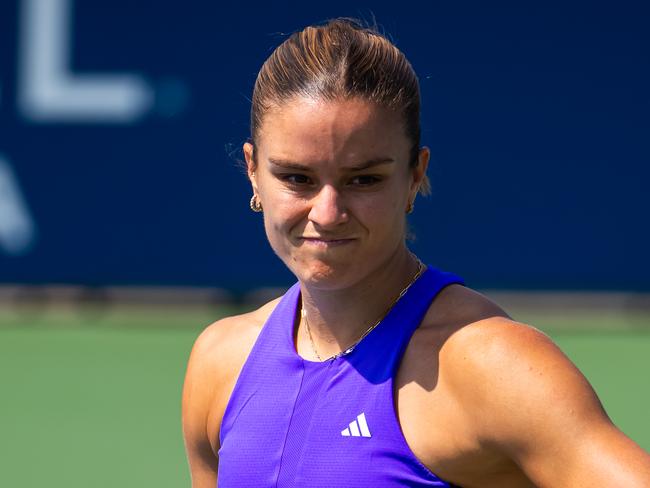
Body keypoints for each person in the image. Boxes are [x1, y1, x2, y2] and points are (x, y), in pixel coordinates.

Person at [182, 18, 650, 487]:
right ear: (252, 171)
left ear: (414, 174)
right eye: (297, 178)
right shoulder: (221, 361)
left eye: (363, 179)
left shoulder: (492, 364)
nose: (327, 212)